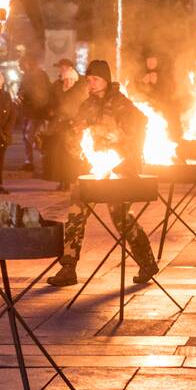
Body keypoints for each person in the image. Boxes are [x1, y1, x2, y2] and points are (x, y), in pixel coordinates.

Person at [46, 59, 158, 287]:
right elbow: (77, 137)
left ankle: (147, 262)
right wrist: (74, 139)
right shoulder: (87, 105)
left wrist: (116, 138)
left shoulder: (121, 103)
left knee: (121, 218)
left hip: (118, 167)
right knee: (77, 211)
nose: (92, 83)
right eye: (89, 80)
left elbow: (140, 125)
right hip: (96, 167)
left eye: (96, 79)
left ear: (105, 80)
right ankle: (68, 268)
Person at [44, 64, 88, 190]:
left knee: (71, 156)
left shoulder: (78, 93)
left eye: (71, 79)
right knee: (59, 156)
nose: (68, 82)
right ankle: (62, 180)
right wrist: (51, 112)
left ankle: (70, 180)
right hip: (59, 127)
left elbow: (80, 109)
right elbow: (51, 105)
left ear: (74, 80)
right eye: (66, 79)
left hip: (72, 128)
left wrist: (76, 122)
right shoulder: (58, 91)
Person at [17, 55, 52, 173]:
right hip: (28, 111)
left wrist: (44, 108)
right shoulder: (27, 75)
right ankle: (29, 161)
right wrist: (21, 95)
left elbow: (44, 92)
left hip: (37, 112)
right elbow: (23, 89)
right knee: (27, 137)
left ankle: (43, 159)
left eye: (23, 63)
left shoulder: (40, 75)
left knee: (32, 136)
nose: (21, 66)